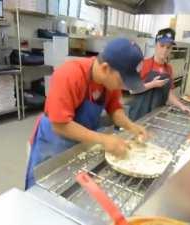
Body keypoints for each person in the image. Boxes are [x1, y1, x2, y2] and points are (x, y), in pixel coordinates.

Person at [25, 38, 148, 189]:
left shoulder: (109, 81)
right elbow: (59, 125)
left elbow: (114, 109)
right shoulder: (69, 74)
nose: (123, 86)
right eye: (122, 81)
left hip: (81, 140)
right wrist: (103, 139)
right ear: (105, 68)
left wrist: (131, 126)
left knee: (70, 187)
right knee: (45, 188)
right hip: (53, 143)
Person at [128, 28, 190, 121]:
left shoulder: (168, 69)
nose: (165, 50)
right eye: (162, 46)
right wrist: (153, 84)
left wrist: (182, 106)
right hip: (139, 115)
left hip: (156, 115)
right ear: (156, 45)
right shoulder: (143, 64)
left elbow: (169, 93)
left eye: (168, 47)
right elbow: (132, 90)